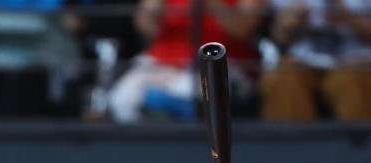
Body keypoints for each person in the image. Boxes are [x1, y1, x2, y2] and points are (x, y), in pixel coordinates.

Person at [107, 0, 264, 123]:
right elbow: (146, 27)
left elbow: (244, 28)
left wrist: (210, 4)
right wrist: (154, 8)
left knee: (185, 93)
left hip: (217, 62)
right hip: (162, 62)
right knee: (121, 98)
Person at [260, 0, 371, 121]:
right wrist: (290, 24)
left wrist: (350, 19)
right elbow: (279, 37)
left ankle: (360, 154)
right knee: (283, 79)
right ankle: (289, 152)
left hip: (357, 61)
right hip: (302, 60)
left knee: (353, 81)